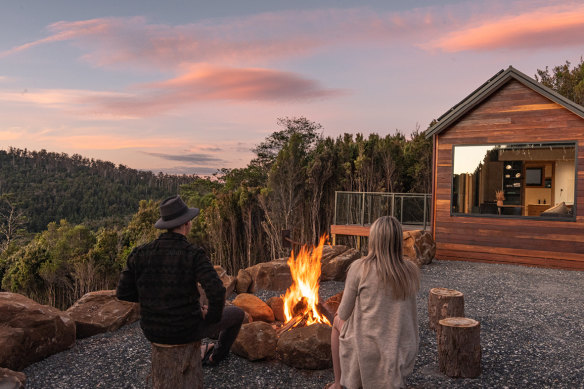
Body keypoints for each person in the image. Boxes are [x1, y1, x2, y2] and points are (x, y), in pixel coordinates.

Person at [116, 195, 244, 367]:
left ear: (165, 225)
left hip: (151, 330)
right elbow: (217, 291)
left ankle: (204, 350)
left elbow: (123, 292)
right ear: (187, 223)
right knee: (237, 314)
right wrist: (211, 316)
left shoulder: (140, 253)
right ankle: (215, 357)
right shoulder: (193, 254)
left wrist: (154, 301)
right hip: (186, 329)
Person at [328, 216, 420, 389]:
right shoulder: (411, 270)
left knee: (336, 323)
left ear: (374, 239)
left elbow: (344, 312)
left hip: (366, 344)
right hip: (401, 344)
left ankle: (338, 383)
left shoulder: (359, 267)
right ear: (397, 241)